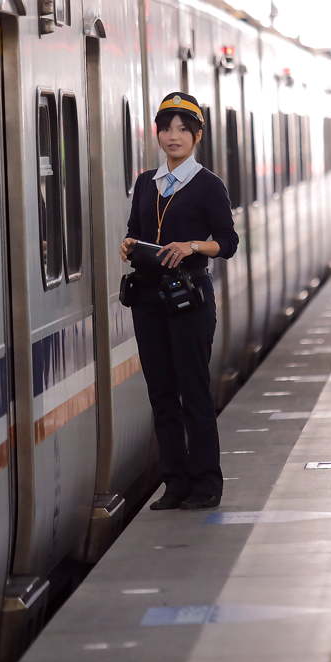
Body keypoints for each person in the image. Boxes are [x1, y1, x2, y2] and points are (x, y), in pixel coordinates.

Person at [120, 92, 239, 511]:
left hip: (189, 298)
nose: (173, 137)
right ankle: (174, 482)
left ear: (197, 136)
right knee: (162, 393)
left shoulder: (209, 186)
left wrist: (191, 246)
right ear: (157, 133)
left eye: (182, 130)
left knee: (194, 391)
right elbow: (136, 229)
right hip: (149, 299)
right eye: (166, 128)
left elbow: (228, 242)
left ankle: (206, 482)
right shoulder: (145, 182)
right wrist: (130, 244)